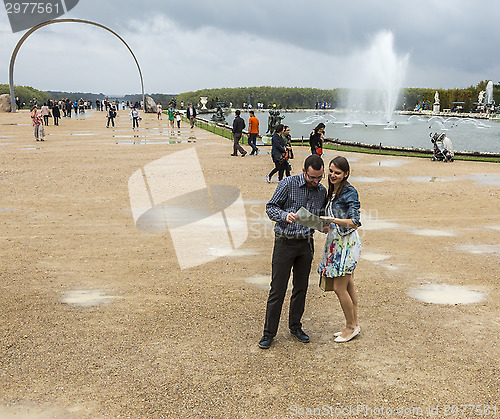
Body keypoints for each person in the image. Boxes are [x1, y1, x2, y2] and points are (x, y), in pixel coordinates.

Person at [259, 154, 327, 350]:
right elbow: (270, 207)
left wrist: (323, 225)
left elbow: (318, 216)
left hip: (306, 244)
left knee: (301, 288)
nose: (315, 182)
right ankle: (268, 333)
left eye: (319, 178)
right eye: (312, 177)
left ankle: (296, 327)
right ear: (303, 171)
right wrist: (283, 215)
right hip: (284, 243)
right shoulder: (288, 184)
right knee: (277, 289)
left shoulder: (321, 190)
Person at [318, 156, 362, 343]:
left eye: (337, 173)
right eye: (331, 171)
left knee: (339, 287)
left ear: (346, 174)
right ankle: (354, 324)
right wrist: (324, 225)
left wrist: (332, 221)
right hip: (335, 241)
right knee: (348, 283)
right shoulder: (332, 191)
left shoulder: (349, 192)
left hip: (347, 243)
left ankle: (350, 327)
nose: (333, 175)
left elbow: (354, 222)